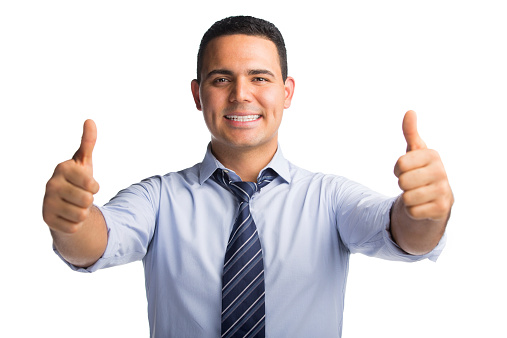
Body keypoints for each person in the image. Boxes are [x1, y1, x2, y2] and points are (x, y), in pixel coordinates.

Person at [42, 16, 453, 337]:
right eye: (222, 79)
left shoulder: (329, 198)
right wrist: (72, 221)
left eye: (260, 77)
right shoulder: (158, 198)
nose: (241, 94)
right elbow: (95, 242)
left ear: (286, 92)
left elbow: (402, 233)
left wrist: (426, 214)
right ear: (197, 94)